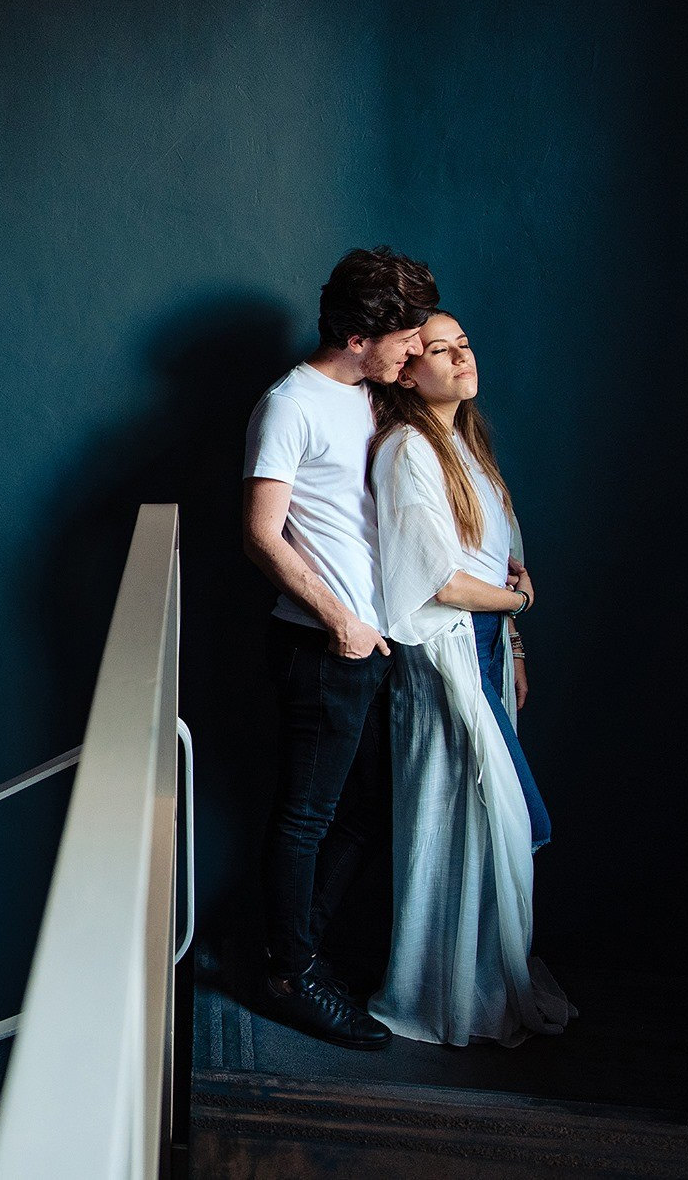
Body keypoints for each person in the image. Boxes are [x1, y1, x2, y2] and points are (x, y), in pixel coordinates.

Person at [242, 246, 438, 1050]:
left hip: (370, 643)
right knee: (308, 816)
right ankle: (290, 974)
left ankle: (297, 953)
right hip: (323, 644)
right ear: (359, 335)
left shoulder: (368, 396)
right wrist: (340, 621)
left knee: (362, 810)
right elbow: (261, 533)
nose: (415, 348)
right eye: (405, 335)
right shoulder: (289, 403)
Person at [364, 311, 574, 1045]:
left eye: (463, 344)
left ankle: (482, 977)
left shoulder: (471, 448)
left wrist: (514, 645)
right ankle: (443, 990)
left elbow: (500, 559)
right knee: (472, 819)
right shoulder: (406, 449)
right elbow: (440, 581)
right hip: (443, 656)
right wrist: (519, 604)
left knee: (495, 825)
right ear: (407, 372)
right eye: (438, 349)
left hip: (486, 647)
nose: (460, 357)